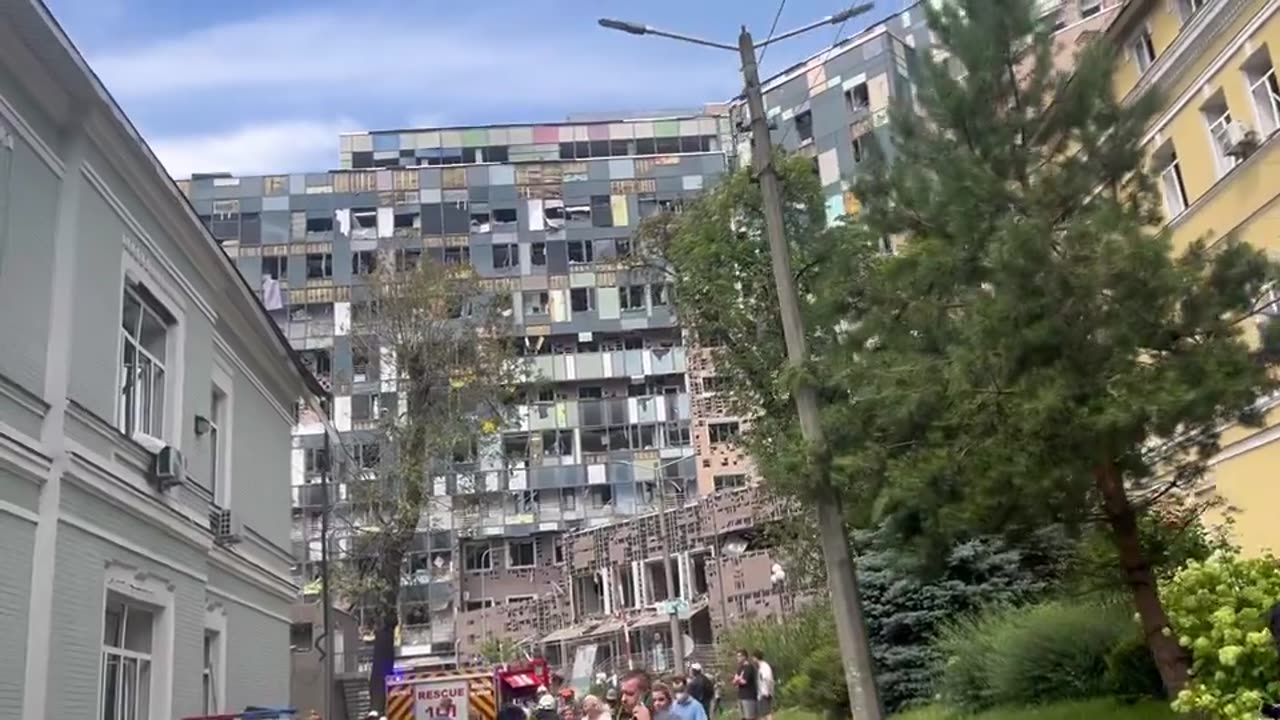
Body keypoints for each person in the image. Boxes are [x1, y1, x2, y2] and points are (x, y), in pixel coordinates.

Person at [732, 648, 758, 720]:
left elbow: (744, 681)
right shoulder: (740, 668)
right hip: (741, 696)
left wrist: (738, 679)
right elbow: (734, 681)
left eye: (739, 656)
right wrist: (738, 679)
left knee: (750, 717)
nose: (737, 658)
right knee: (742, 717)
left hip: (749, 697)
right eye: (737, 656)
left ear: (744, 657)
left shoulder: (749, 667)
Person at [752, 649, 775, 720]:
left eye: (753, 657)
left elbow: (768, 679)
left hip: (765, 693)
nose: (752, 659)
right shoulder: (760, 667)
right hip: (761, 693)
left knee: (767, 713)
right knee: (762, 714)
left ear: (756, 657)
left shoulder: (765, 667)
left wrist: (767, 691)